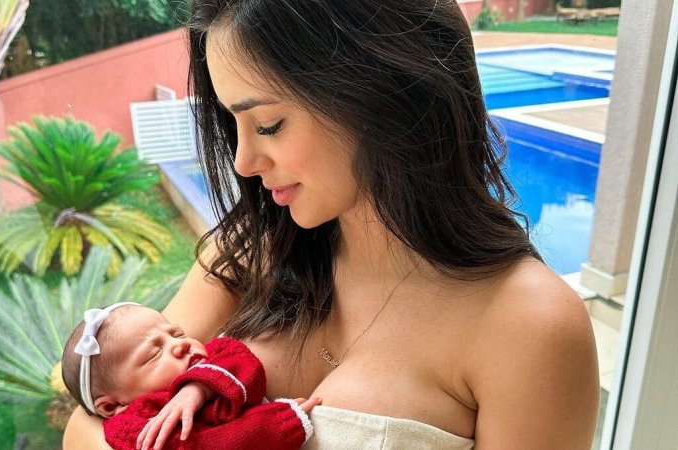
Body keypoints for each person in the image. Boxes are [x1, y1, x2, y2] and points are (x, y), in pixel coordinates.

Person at [64, 1, 600, 449]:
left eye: (268, 124)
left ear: (381, 96)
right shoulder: (249, 251)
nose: (242, 162)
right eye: (233, 123)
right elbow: (86, 427)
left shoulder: (528, 324)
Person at [61, 302, 318, 450]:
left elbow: (241, 359)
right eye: (154, 353)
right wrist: (282, 422)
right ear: (112, 406)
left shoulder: (212, 359)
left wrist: (197, 388)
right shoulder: (139, 429)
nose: (180, 345)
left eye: (176, 333)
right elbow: (214, 445)